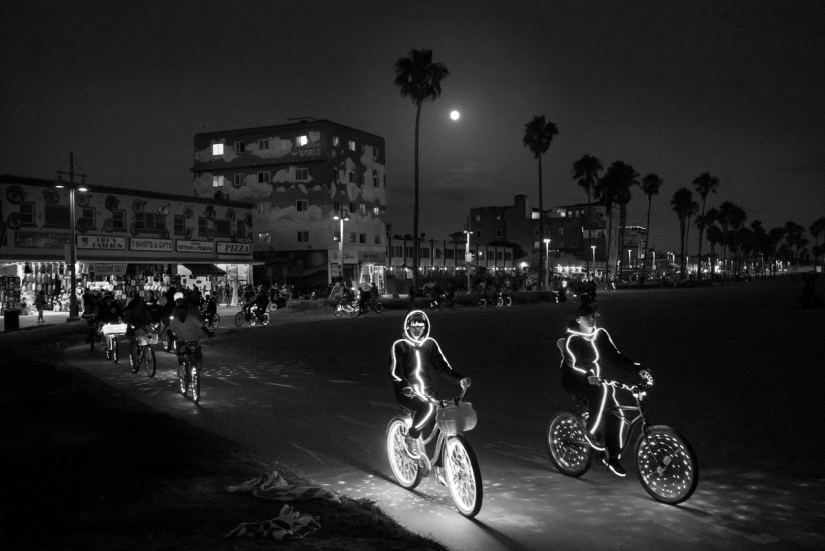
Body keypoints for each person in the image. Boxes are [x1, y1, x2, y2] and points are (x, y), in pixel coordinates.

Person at [560, 302, 652, 477]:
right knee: (600, 392)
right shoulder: (573, 339)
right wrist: (588, 376)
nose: (592, 319)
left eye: (594, 316)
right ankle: (590, 433)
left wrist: (636, 369)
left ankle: (612, 458)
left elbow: (615, 356)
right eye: (588, 316)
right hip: (575, 381)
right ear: (578, 319)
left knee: (616, 414)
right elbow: (574, 365)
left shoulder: (599, 335)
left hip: (595, 381)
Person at [390, 310, 471, 475]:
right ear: (408, 326)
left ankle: (441, 468)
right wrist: (405, 386)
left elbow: (443, 368)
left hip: (428, 392)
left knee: (442, 423)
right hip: (407, 393)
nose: (418, 328)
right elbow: (396, 373)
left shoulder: (430, 344)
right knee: (427, 409)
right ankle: (411, 437)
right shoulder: (400, 346)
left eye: (421, 325)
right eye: (414, 325)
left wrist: (460, 379)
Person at [160, 303, 213, 369]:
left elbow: (202, 327)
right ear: (178, 313)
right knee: (181, 354)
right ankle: (181, 369)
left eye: (184, 312)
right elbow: (169, 330)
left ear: (187, 312)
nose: (182, 314)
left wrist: (208, 333)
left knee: (198, 354)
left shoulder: (192, 318)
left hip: (193, 340)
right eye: (180, 312)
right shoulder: (174, 322)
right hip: (181, 341)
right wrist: (171, 335)